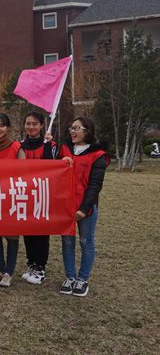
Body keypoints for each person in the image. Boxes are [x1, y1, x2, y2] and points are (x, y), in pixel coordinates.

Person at [58, 116, 109, 297]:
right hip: (66, 207)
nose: (73, 131)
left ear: (87, 131)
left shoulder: (98, 155)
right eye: (71, 128)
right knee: (67, 242)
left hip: (85, 208)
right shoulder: (64, 150)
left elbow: (95, 186)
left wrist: (83, 209)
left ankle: (83, 279)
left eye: (77, 128)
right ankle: (70, 277)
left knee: (86, 242)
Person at [0, 113, 25, 287]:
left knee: (12, 236)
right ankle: (0, 268)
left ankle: (9, 271)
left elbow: (24, 172)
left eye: (1, 125)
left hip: (11, 196)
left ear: (7, 128)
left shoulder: (16, 147)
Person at [20, 111, 57, 285]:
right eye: (28, 123)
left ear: (42, 126)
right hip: (25, 195)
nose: (31, 127)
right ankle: (31, 264)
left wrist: (48, 145)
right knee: (28, 231)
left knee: (41, 233)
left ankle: (40, 267)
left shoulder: (51, 145)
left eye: (35, 124)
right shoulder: (20, 146)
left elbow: (52, 166)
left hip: (43, 195)